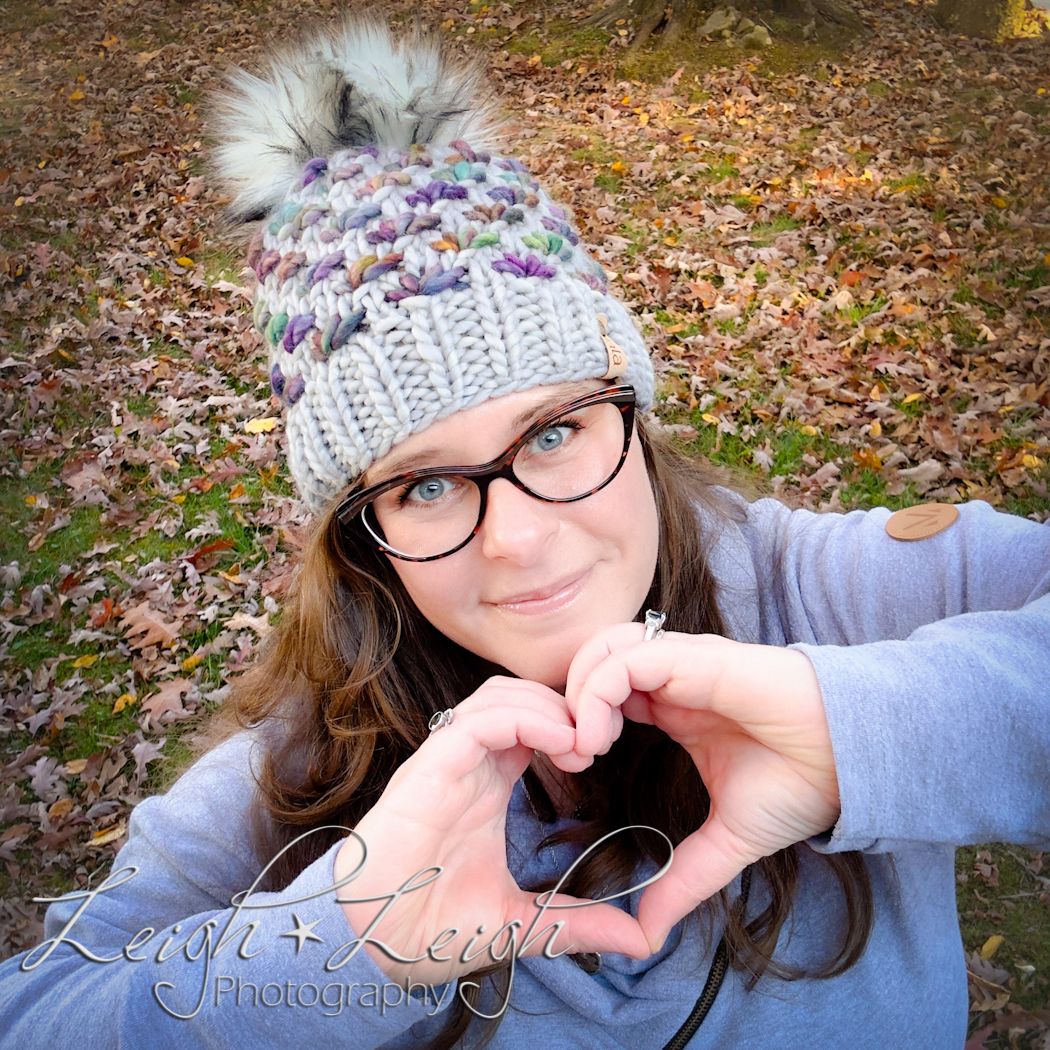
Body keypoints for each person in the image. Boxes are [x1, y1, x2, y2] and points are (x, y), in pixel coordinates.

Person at [1, 13, 1048, 1049]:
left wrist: (847, 736)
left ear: (629, 415)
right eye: (424, 487)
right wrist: (338, 944)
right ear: (360, 535)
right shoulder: (294, 776)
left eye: (551, 432)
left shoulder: (831, 596)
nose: (515, 540)